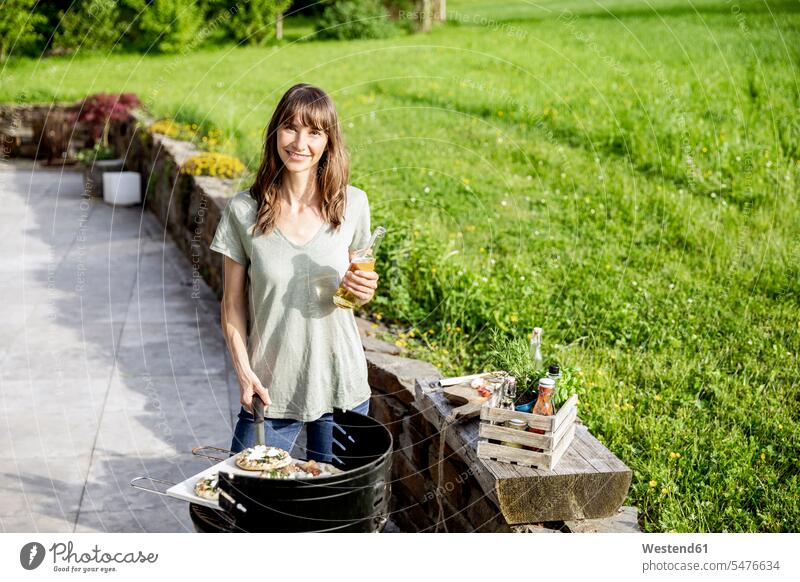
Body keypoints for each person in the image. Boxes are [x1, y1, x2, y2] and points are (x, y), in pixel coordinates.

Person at [209, 83, 379, 463]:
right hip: (271, 388)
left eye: (314, 132)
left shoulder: (353, 204)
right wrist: (243, 371)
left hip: (342, 386)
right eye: (290, 127)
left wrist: (365, 289)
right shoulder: (243, 212)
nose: (300, 142)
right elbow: (232, 303)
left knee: (335, 512)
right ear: (275, 133)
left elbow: (359, 287)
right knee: (248, 501)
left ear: (328, 142)